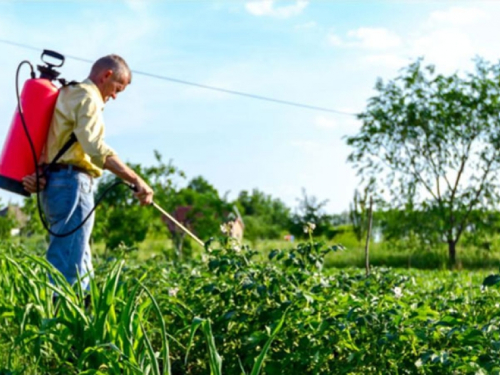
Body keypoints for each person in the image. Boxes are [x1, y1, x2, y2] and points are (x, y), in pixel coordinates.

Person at [22, 54, 153, 291]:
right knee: (68, 266)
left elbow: (50, 142)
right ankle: (60, 321)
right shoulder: (88, 97)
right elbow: (94, 147)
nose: (114, 96)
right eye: (117, 89)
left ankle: (87, 319)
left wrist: (40, 171)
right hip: (73, 183)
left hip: (56, 183)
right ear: (107, 75)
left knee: (79, 258)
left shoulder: (67, 93)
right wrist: (135, 179)